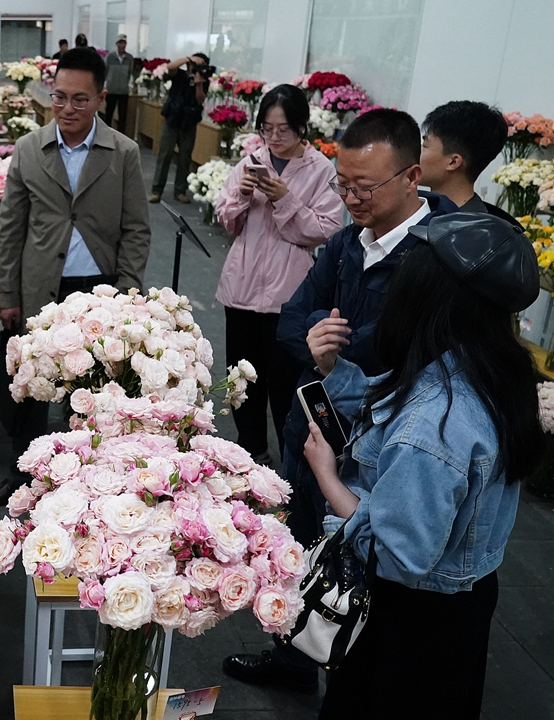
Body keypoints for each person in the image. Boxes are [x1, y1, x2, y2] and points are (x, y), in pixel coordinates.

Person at [222, 108, 460, 692]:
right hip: (323, 421)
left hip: (389, 443)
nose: (351, 199)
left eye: (365, 187)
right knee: (305, 541)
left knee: (371, 563)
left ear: (411, 178)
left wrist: (335, 356)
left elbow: (407, 357)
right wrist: (322, 349)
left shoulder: (441, 255)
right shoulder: (348, 243)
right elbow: (291, 321)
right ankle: (297, 654)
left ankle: (349, 666)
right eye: (342, 184)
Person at [302, 213, 541, 718]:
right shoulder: (495, 367)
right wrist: (335, 373)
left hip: (410, 624)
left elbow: (396, 555)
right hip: (463, 607)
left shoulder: (436, 424)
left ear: (432, 297)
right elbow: (392, 399)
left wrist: (326, 475)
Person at [0, 48, 151, 507]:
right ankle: (25, 474)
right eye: (60, 98)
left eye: (80, 100)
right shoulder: (30, 149)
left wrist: (128, 296)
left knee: (94, 395)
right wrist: (8, 295)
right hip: (41, 289)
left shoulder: (123, 152)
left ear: (100, 99)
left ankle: (92, 490)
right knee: (17, 386)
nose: (68, 109)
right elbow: (11, 228)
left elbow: (136, 229)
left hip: (100, 293)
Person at [213, 84, 344, 464]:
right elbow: (228, 221)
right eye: (267, 129)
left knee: (287, 382)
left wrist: (283, 198)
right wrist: (240, 193)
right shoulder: (252, 160)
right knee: (242, 378)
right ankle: (250, 451)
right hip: (241, 288)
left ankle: (292, 462)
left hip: (290, 295)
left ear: (302, 126)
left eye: (283, 129)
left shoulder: (321, 169)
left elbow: (325, 229)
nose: (274, 138)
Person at [420, 100, 519, 226]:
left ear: (453, 162)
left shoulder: (475, 233)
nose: (415, 151)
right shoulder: (420, 210)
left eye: (425, 146)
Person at [149, 53, 207, 203]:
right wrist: (189, 59)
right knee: (165, 154)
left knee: (185, 157)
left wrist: (199, 84)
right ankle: (156, 190)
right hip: (172, 119)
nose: (194, 67)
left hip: (189, 121)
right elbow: (169, 67)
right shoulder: (179, 74)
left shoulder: (204, 80)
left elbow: (200, 100)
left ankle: (180, 190)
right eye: (193, 64)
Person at [102, 35, 133, 131]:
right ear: (116, 44)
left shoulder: (129, 58)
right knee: (109, 114)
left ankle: (121, 136)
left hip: (123, 91)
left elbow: (130, 73)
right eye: (120, 43)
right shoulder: (110, 57)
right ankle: (106, 134)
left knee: (122, 116)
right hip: (111, 90)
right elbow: (105, 72)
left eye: (123, 43)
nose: (122, 45)